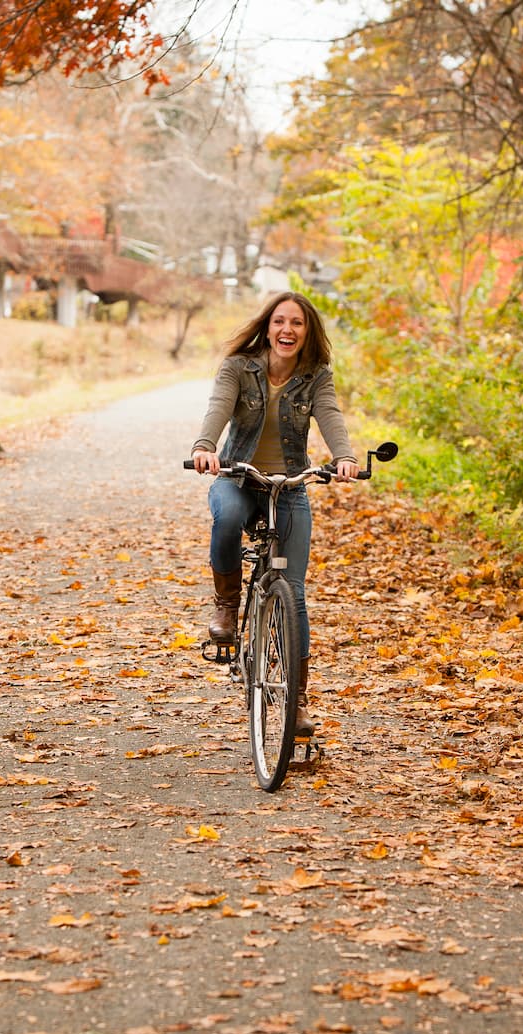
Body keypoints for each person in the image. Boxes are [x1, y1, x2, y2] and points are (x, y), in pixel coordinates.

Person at [189, 291, 358, 736]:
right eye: (280, 321)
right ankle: (226, 607)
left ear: (308, 332)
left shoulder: (316, 376)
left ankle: (296, 701)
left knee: (295, 594)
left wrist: (344, 456)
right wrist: (205, 447)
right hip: (237, 477)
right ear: (267, 326)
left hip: (289, 487)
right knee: (225, 520)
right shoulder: (237, 368)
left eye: (297, 324)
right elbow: (218, 409)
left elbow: (330, 416)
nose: (287, 330)